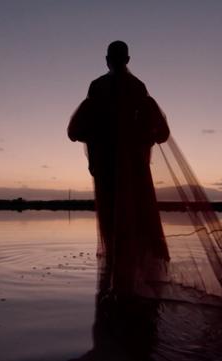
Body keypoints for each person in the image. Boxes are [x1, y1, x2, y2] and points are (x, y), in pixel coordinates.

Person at [68, 40, 170, 296]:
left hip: (107, 164)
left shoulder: (98, 87)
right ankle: (141, 283)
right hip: (134, 165)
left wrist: (100, 145)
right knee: (138, 215)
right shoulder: (137, 88)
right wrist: (140, 139)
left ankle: (116, 283)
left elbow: (76, 131)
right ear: (127, 59)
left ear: (107, 59)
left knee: (113, 216)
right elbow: (161, 133)